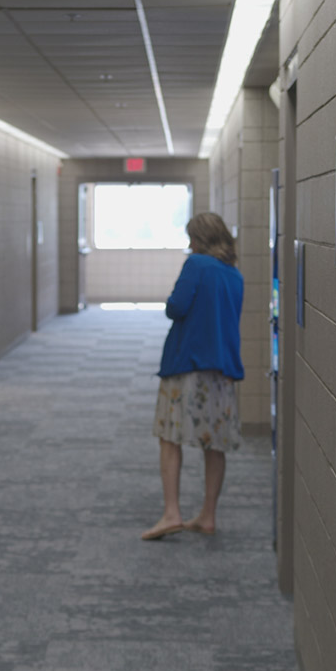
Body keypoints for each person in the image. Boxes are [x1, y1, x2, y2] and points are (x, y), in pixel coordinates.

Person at [142, 212, 244, 541]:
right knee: (215, 444)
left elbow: (176, 307)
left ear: (200, 240)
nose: (190, 244)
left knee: (170, 438)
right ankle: (208, 515)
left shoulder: (196, 265)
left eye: (192, 238)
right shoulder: (234, 275)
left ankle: (172, 513)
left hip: (187, 364)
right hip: (222, 369)